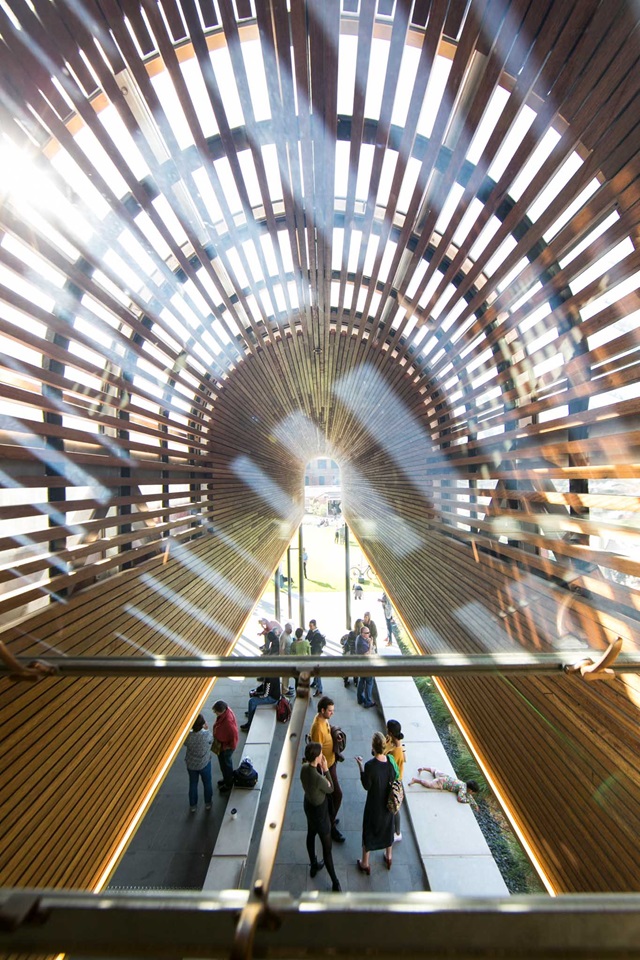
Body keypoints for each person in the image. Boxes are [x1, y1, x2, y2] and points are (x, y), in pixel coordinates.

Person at [300, 742, 341, 892]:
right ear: (317, 758)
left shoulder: (304, 768)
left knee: (310, 834)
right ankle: (335, 882)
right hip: (320, 813)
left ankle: (313, 864)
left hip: (308, 806)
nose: (322, 755)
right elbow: (331, 789)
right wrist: (326, 769)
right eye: (321, 754)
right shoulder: (318, 778)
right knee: (327, 848)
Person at [355, 731, 395, 873]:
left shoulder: (370, 765)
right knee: (388, 828)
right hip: (388, 804)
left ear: (373, 747)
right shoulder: (390, 762)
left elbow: (366, 785)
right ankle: (389, 856)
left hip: (374, 805)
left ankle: (365, 863)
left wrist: (360, 766)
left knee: (369, 831)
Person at [309, 696, 345, 843]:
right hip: (326, 767)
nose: (332, 713)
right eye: (330, 711)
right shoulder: (318, 727)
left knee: (332, 797)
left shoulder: (324, 720)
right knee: (337, 795)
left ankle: (331, 818)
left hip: (331, 762)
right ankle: (330, 824)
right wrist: (323, 771)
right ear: (322, 710)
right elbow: (317, 751)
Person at [185, 713, 213, 812]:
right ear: (202, 724)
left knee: (193, 783)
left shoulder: (188, 736)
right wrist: (207, 729)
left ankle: (193, 806)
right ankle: (208, 803)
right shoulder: (206, 734)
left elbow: (185, 743)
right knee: (207, 783)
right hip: (204, 763)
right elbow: (211, 740)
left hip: (191, 764)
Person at [409, 767, 479, 806]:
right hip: (443, 783)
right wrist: (468, 801)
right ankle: (416, 780)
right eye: (473, 793)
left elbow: (468, 795)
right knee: (429, 784)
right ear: (470, 790)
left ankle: (423, 768)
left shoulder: (463, 784)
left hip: (446, 777)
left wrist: (474, 804)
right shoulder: (463, 789)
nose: (472, 794)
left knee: (435, 771)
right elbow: (460, 799)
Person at [384, 719, 405, 841]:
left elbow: (391, 769)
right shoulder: (393, 741)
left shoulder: (396, 752)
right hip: (393, 779)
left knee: (394, 806)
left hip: (394, 781)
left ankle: (397, 832)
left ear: (391, 732)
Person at [212, 700, 239, 794]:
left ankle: (228, 783)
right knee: (224, 764)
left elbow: (233, 734)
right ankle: (226, 779)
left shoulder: (228, 722)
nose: (215, 713)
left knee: (226, 765)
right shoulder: (226, 713)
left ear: (221, 711)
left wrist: (230, 746)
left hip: (226, 747)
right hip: (225, 745)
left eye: (216, 711)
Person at [356, 624, 376, 708]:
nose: (369, 634)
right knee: (369, 682)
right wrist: (370, 644)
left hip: (360, 665)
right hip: (366, 666)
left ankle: (360, 699)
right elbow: (368, 654)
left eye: (369, 632)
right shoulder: (362, 643)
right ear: (362, 634)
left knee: (361, 681)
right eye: (367, 633)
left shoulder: (359, 638)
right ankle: (368, 702)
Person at [306, 619, 326, 696]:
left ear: (314, 625)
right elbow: (307, 639)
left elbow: (313, 644)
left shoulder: (317, 634)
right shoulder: (311, 631)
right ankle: (315, 682)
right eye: (309, 626)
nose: (310, 627)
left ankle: (319, 689)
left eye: (311, 626)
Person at [342, 618, 362, 688]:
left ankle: (346, 681)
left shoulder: (351, 633)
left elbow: (347, 643)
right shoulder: (361, 635)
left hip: (351, 653)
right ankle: (356, 681)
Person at [280, 622, 294, 695]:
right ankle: (285, 690)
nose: (291, 630)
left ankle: (286, 686)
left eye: (291, 629)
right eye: (289, 629)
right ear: (286, 629)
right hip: (285, 659)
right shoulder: (284, 637)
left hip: (289, 657)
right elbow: (282, 649)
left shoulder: (288, 634)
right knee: (285, 675)